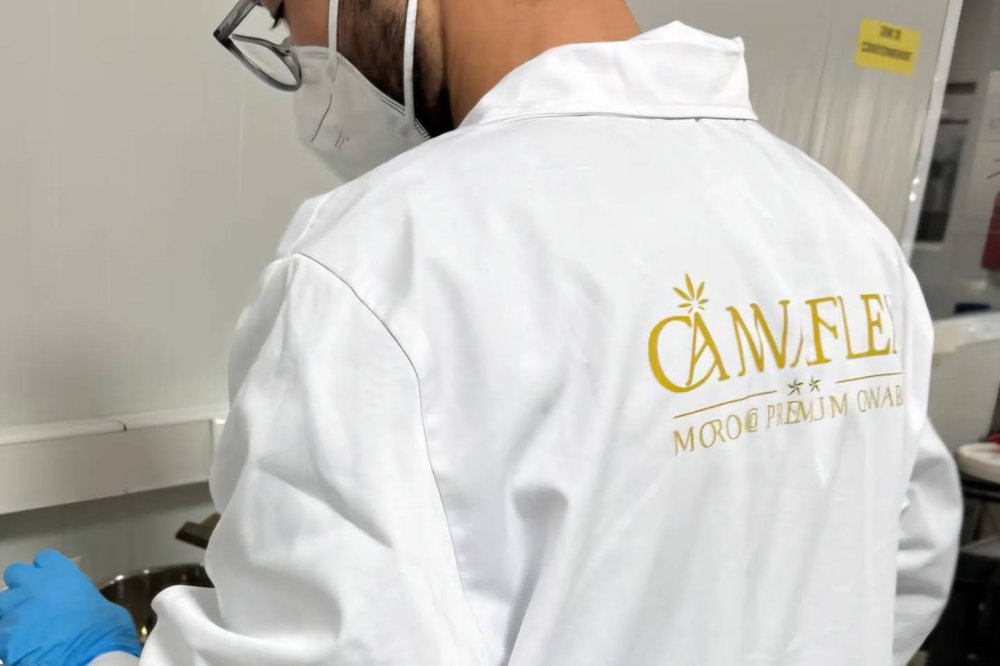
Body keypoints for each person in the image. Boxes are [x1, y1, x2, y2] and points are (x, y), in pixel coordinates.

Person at [0, 0, 962, 664]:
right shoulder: (843, 230)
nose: (299, 54)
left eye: (288, 14)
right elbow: (904, 580)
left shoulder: (386, 261)